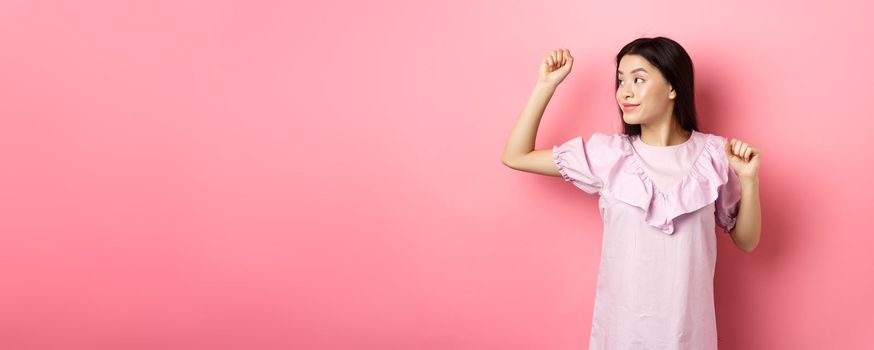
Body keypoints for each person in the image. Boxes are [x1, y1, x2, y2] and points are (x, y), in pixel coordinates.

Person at [500, 37, 762, 349]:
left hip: (688, 334)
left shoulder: (716, 155)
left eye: (638, 79)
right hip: (622, 332)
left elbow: (746, 241)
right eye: (621, 80)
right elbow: (516, 156)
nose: (624, 91)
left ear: (672, 87)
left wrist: (748, 179)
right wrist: (546, 84)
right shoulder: (608, 154)